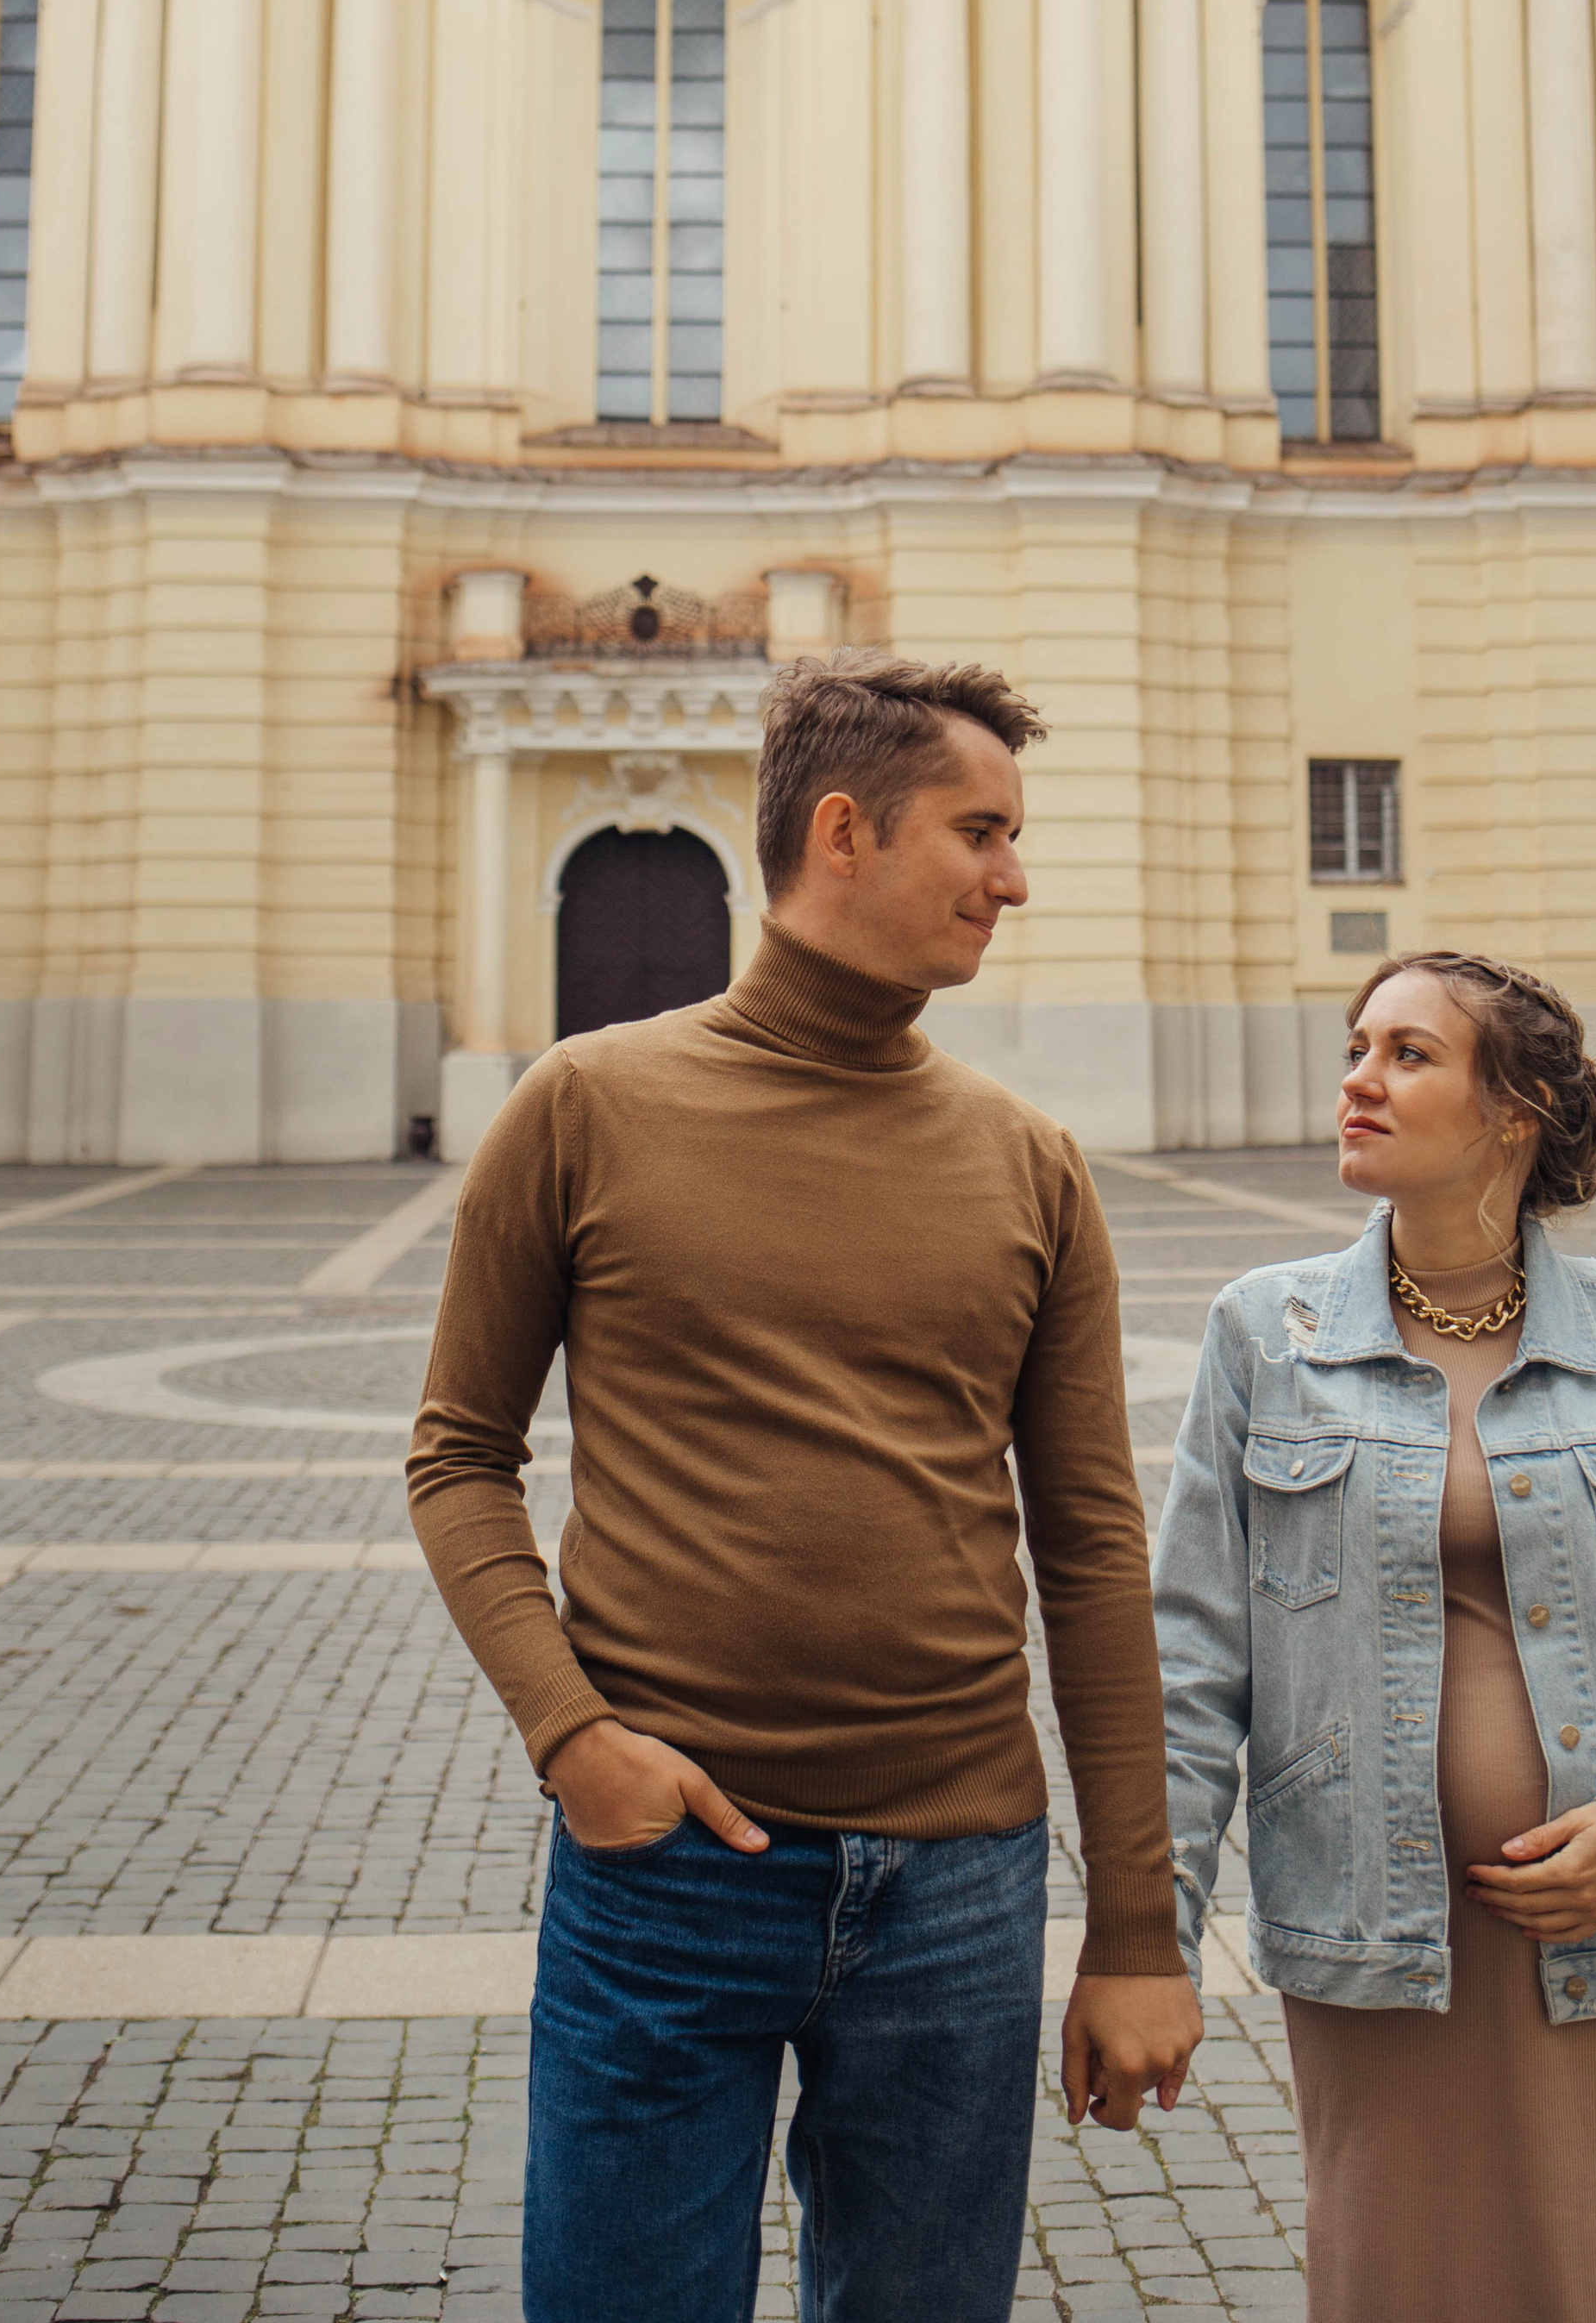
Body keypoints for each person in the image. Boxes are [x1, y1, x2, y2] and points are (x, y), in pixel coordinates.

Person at [409, 654, 1202, 2323]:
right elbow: (459, 1457)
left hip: (960, 1884)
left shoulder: (1028, 1161)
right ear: (844, 830)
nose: (1014, 875)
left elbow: (1090, 1550)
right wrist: (573, 1738)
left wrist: (1136, 1930)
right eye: (978, 832)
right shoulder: (581, 1107)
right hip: (667, 1868)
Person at [1154, 949, 1596, 2323]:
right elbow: (1194, 1665)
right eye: (1357, 1046)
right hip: (1382, 1949)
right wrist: (1150, 1936)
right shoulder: (1268, 1335)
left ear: (1515, 1112)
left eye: (1407, 1054)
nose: (1358, 1081)